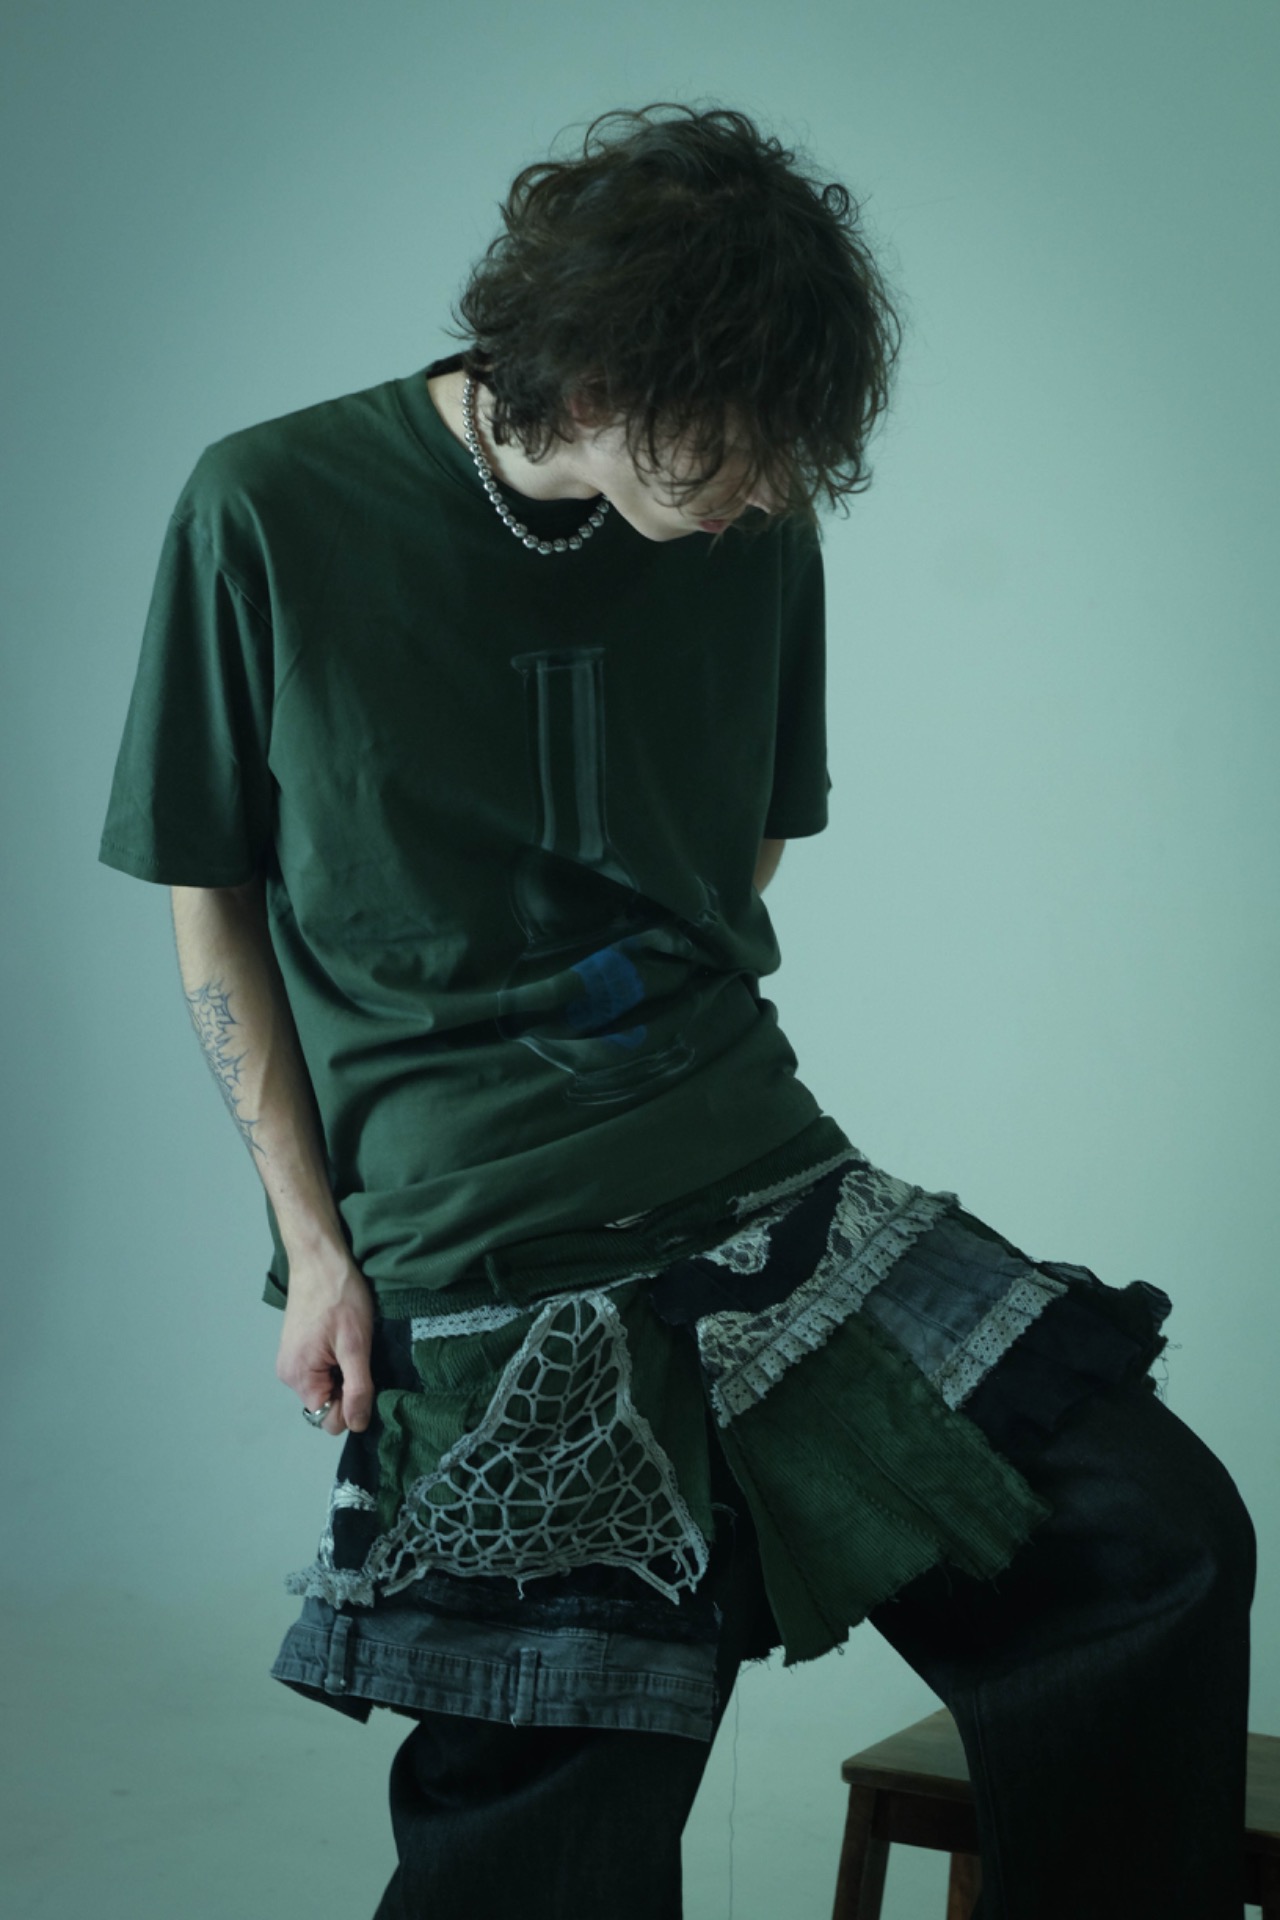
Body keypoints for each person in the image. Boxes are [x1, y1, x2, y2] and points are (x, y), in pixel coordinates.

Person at [98, 103, 1256, 1919]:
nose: (775, 490)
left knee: (1150, 1547)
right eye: (740, 440)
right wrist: (315, 1248)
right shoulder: (270, 507)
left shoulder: (747, 528)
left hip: (763, 1190)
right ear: (595, 373)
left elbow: (740, 854)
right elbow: (212, 909)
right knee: (564, 1799)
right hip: (484, 1240)